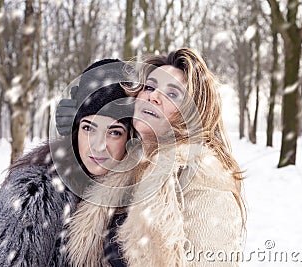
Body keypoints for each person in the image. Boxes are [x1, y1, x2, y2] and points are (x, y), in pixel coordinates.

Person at [64, 48, 246, 266]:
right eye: (149, 87)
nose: (154, 96)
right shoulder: (128, 169)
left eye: (172, 94)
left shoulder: (204, 181)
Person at [0, 59, 135, 267]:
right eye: (88, 128)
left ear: (130, 138)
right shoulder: (35, 192)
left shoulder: (132, 196)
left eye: (114, 132)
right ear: (74, 130)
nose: (98, 146)